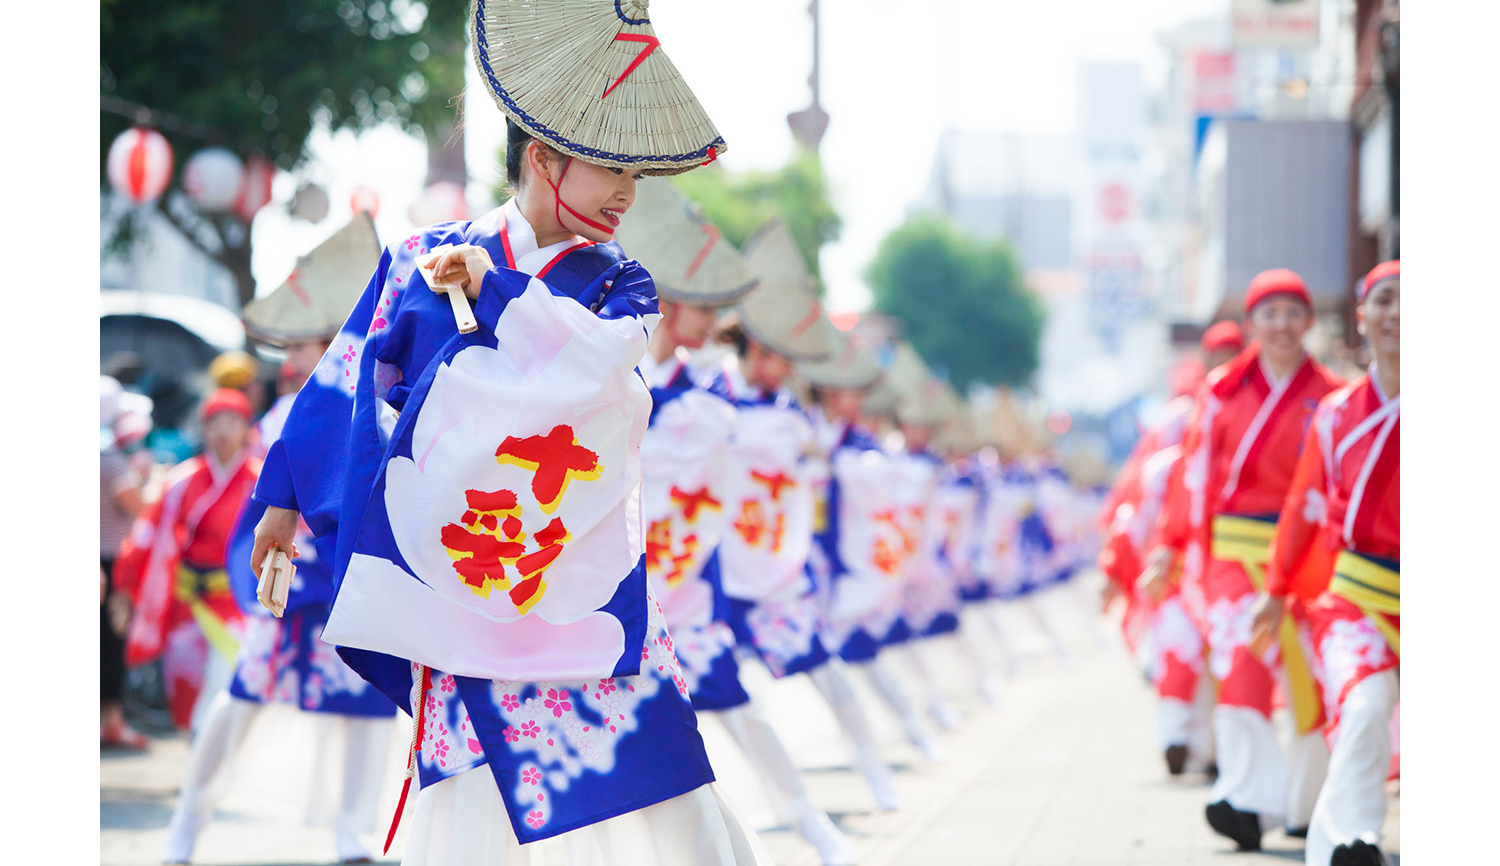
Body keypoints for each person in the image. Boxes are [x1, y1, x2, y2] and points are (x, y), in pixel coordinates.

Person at [246, 3, 769, 862]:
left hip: (567, 567)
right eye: (612, 171)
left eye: (638, 177)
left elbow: (601, 368)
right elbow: (349, 376)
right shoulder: (422, 255)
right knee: (461, 785)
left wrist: (493, 292)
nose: (629, 195)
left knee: (665, 766)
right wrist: (283, 495)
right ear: (543, 156)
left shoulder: (621, 284)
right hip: (457, 560)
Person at [619, 185, 856, 865]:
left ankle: (808, 823)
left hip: (687, 589)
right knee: (625, 742)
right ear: (669, 298)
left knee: (736, 712)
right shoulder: (615, 366)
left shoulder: (710, 400)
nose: (714, 317)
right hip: (612, 585)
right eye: (703, 301)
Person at [161, 217, 397, 866]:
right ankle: (186, 824)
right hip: (290, 589)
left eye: (299, 348)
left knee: (365, 711)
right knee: (237, 705)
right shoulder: (281, 415)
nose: (287, 361)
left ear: (332, 343)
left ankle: (353, 835)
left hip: (348, 586)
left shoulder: (382, 408)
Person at [704, 222, 905, 814]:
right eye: (783, 356)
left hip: (775, 575)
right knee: (717, 709)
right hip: (708, 578)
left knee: (829, 675)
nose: (792, 369)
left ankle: (871, 780)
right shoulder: (703, 395)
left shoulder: (792, 417)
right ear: (758, 348)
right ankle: (787, 821)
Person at [1142, 268, 1344, 850]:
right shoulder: (1222, 392)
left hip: (1307, 556)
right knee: (1243, 661)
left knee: (1312, 674)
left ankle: (1308, 806)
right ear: (1251, 323)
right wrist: (1170, 545)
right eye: (1269, 313)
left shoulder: (1332, 396)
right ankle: (1244, 798)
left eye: (1292, 312)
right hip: (1234, 553)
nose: (1281, 324)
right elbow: (1193, 476)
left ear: (1310, 322)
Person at [1255, 261, 1399, 866]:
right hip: (1355, 598)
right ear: (1361, 317)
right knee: (1363, 707)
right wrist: (1276, 587)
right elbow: (1302, 507)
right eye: (1385, 300)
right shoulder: (1336, 416)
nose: (1398, 313)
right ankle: (1347, 841)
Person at [1098, 319, 1243, 776]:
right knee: (1181, 654)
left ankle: (1209, 749)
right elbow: (1140, 520)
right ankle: (1180, 741)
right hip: (1178, 570)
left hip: (1229, 566)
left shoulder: (1240, 421)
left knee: (1219, 662)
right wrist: (1127, 567)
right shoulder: (1167, 459)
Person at [800, 330, 947, 764]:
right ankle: (877, 749)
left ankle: (905, 738)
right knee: (830, 662)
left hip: (844, 567)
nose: (856, 401)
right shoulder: (799, 425)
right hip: (801, 563)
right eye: (850, 391)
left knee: (860, 655)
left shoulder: (860, 446)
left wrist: (829, 464)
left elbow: (875, 480)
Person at [115, 389, 259, 733]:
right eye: (215, 423)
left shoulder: (261, 479)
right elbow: (147, 533)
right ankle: (197, 761)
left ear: (246, 429)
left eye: (232, 422)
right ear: (204, 429)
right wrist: (124, 588)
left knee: (225, 685)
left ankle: (211, 772)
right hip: (188, 600)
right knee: (186, 688)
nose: (224, 431)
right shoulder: (182, 479)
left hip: (237, 603)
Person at [101, 376, 151, 750]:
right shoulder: (112, 462)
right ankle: (112, 721)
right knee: (110, 645)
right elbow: (138, 508)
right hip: (110, 563)